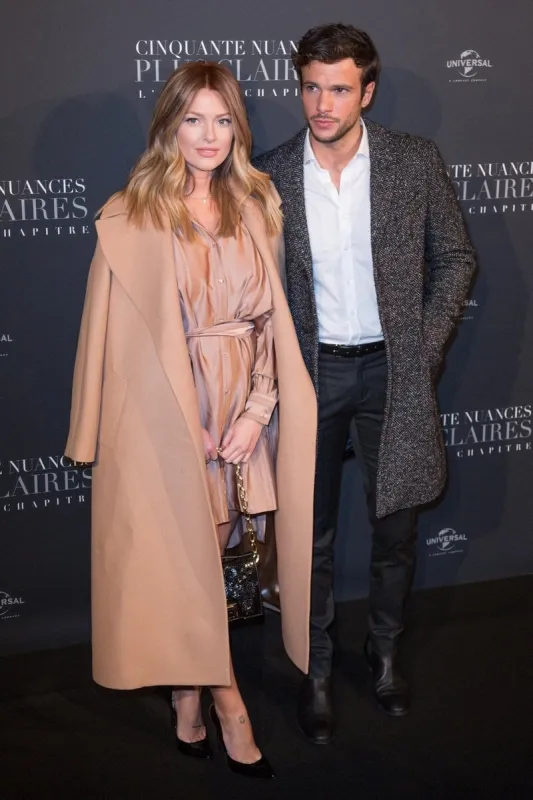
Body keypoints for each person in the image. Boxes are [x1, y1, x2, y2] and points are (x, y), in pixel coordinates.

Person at [65, 61, 317, 778]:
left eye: (221, 119)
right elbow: (107, 337)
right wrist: (176, 423)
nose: (208, 135)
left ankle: (185, 698)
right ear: (168, 126)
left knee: (223, 557)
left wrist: (257, 412)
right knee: (190, 562)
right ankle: (229, 704)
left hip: (243, 412)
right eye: (192, 119)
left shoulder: (257, 204)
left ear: (236, 128)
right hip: (166, 419)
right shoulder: (131, 215)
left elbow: (272, 323)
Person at [253, 23, 476, 744]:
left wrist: (423, 349)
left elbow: (456, 260)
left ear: (366, 92)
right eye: (311, 87)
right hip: (309, 373)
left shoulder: (413, 161)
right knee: (306, 537)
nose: (321, 103)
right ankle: (315, 670)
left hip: (391, 369)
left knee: (395, 527)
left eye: (338, 89)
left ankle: (382, 657)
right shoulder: (270, 173)